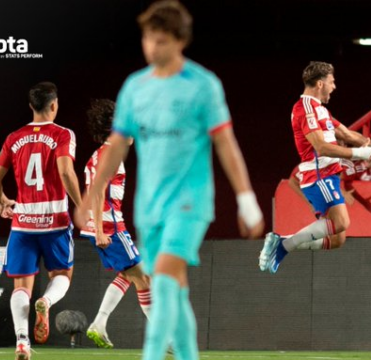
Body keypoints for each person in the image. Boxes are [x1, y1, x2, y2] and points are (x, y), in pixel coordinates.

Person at [74, 2, 264, 360]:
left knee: (160, 278)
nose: (152, 48)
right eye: (147, 39)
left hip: (190, 203)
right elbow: (116, 146)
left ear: (180, 40)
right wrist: (89, 196)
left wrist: (246, 199)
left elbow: (225, 143)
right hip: (149, 209)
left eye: (160, 40)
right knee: (173, 287)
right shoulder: (135, 88)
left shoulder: (203, 85)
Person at [258, 61, 371, 274]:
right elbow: (321, 147)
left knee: (337, 239)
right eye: (332, 82)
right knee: (342, 222)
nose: (334, 87)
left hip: (329, 175)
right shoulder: (304, 108)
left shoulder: (320, 110)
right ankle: (284, 245)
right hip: (319, 175)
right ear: (319, 83)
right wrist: (361, 153)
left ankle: (283, 242)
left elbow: (346, 134)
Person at [0, 82, 82, 360]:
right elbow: (66, 173)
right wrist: (82, 206)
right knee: (62, 275)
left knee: (21, 287)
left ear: (31, 107)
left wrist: (3, 201)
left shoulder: (14, 137)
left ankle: (21, 342)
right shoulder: (63, 134)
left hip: (23, 222)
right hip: (55, 219)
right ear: (54, 105)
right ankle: (47, 301)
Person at [80, 99, 152, 349]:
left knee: (129, 274)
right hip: (109, 226)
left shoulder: (101, 153)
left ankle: (99, 323)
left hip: (101, 224)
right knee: (144, 278)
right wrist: (100, 231)